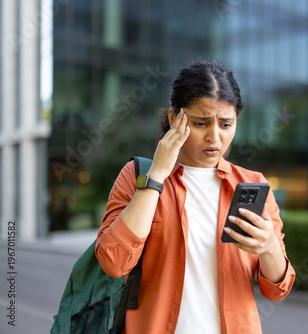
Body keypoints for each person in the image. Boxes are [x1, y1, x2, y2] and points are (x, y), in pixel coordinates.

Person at [96, 60, 296, 334]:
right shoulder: (137, 176)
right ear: (173, 118)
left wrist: (269, 245)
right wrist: (156, 177)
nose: (214, 137)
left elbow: (277, 289)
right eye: (201, 123)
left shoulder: (252, 184)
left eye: (226, 124)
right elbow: (114, 262)